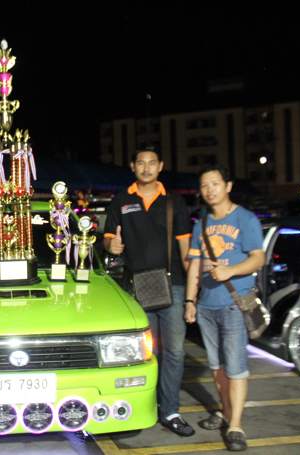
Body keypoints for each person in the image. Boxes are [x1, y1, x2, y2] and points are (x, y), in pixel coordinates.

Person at [103, 145, 195, 437]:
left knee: (175, 352)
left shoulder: (174, 202)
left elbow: (185, 248)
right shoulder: (121, 200)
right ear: (133, 166)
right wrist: (111, 245)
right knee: (144, 353)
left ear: (160, 166)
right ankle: (144, 407)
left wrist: (192, 294)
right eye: (140, 162)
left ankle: (170, 411)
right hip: (136, 287)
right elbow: (108, 239)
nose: (146, 167)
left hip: (173, 285)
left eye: (151, 162)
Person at [184, 165, 264, 452]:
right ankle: (226, 412)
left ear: (228, 186)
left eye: (215, 184)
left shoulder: (246, 219)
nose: (210, 190)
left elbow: (258, 258)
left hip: (233, 304)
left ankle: (236, 426)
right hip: (206, 306)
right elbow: (194, 265)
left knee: (235, 367)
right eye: (204, 185)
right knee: (217, 367)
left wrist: (230, 270)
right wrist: (190, 301)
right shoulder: (201, 223)